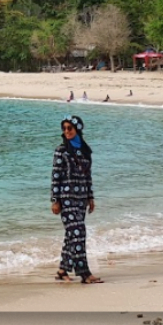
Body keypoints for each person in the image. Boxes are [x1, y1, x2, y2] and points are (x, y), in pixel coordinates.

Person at [50, 115, 103, 284]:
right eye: (64, 129)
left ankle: (62, 270)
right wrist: (54, 200)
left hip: (81, 200)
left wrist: (90, 196)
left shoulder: (86, 151)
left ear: (77, 130)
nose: (66, 132)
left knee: (71, 236)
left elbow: (88, 176)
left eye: (69, 128)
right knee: (79, 234)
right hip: (66, 199)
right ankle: (84, 273)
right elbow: (55, 176)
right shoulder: (61, 150)